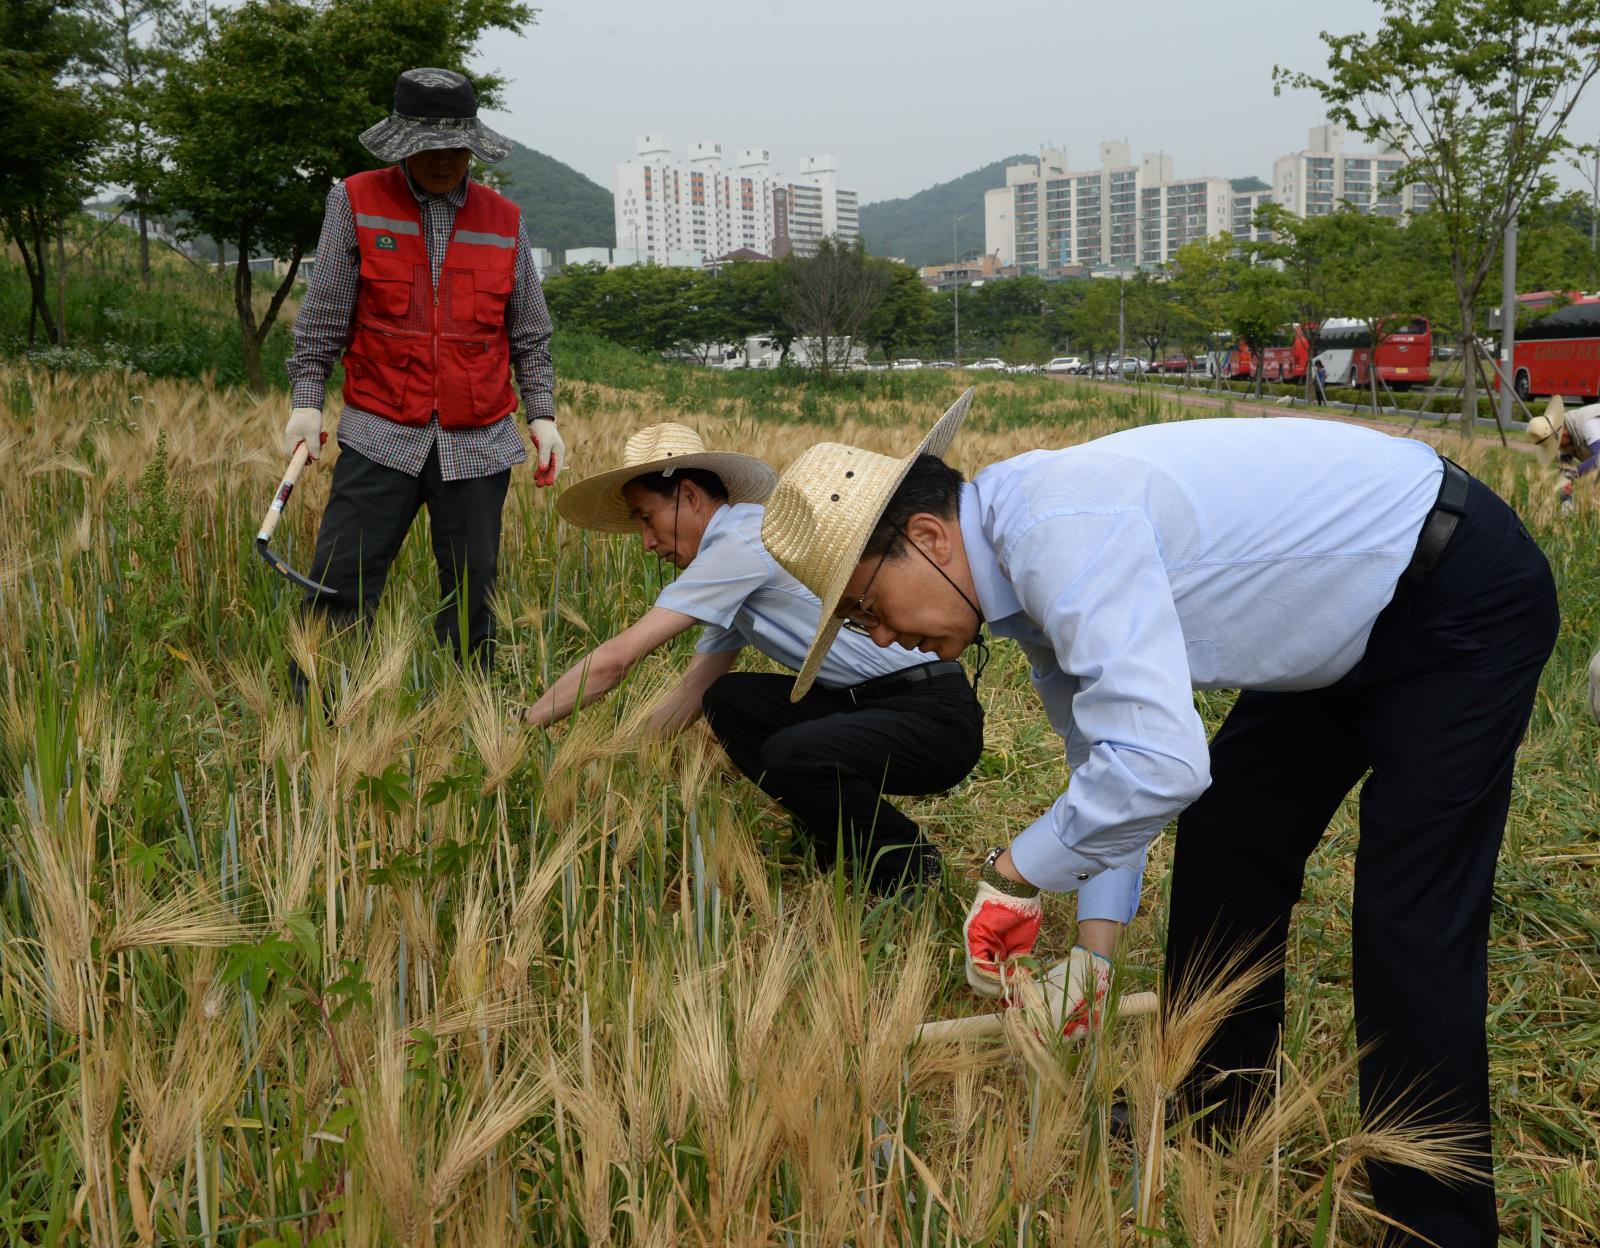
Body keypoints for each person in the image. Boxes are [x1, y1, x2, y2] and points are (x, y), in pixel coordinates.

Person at [761, 408, 1557, 1247]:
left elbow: (1157, 763)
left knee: (1410, 916)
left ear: (927, 534)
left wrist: (1014, 871)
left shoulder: (1055, 532)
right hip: (1338, 623)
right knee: (1226, 834)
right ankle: (1218, 1102)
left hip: (1454, 591)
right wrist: (1093, 960)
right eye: (857, 629)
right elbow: (1114, 772)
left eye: (866, 606)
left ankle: (1438, 1226)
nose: (882, 637)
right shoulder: (1025, 583)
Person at [517, 418, 985, 896]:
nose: (646, 543)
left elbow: (617, 658)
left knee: (793, 753)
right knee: (729, 698)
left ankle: (903, 858)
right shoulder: (734, 554)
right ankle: (839, 836)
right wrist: (620, 760)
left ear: (690, 497)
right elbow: (695, 692)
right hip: (876, 705)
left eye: (645, 518)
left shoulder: (738, 544)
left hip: (933, 717)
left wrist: (525, 725)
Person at [283, 67, 564, 687]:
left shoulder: (504, 219)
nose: (442, 159)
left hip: (479, 437)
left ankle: (467, 719)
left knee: (473, 595)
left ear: (473, 143)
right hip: (380, 428)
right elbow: (325, 313)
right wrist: (308, 400)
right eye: (428, 145)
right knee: (341, 581)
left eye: (455, 145)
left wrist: (541, 415)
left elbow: (530, 332)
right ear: (402, 142)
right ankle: (310, 719)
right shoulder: (355, 201)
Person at [1526, 394, 1600, 511]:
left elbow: (1599, 459)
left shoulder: (1588, 425)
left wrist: (1576, 475)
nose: (1556, 448)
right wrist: (1566, 501)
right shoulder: (1563, 439)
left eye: (1554, 445)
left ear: (1562, 431)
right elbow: (1566, 472)